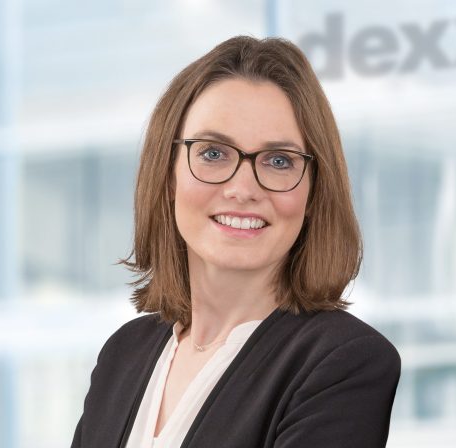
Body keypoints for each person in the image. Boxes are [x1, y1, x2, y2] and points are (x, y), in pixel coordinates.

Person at [71, 35, 401, 448]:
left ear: (314, 192)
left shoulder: (344, 361)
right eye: (213, 153)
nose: (243, 189)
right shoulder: (123, 354)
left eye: (279, 161)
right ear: (168, 175)